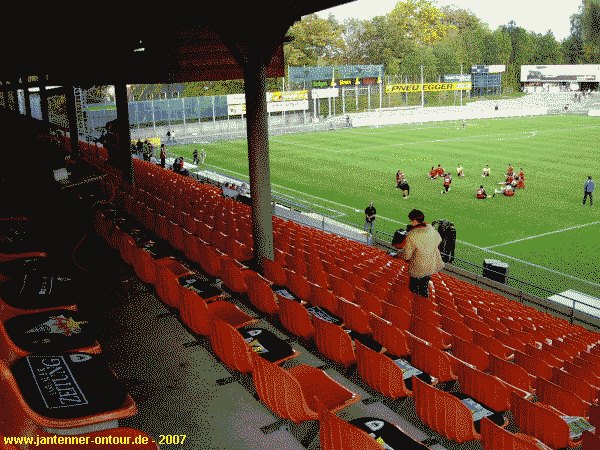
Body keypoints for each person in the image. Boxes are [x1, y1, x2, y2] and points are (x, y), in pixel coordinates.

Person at [402, 209, 444, 299]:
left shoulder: (412, 235)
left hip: (419, 266)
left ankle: (418, 306)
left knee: (415, 289)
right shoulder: (430, 228)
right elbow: (439, 239)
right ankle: (424, 303)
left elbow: (407, 256)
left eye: (411, 221)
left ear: (414, 221)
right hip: (431, 263)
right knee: (424, 286)